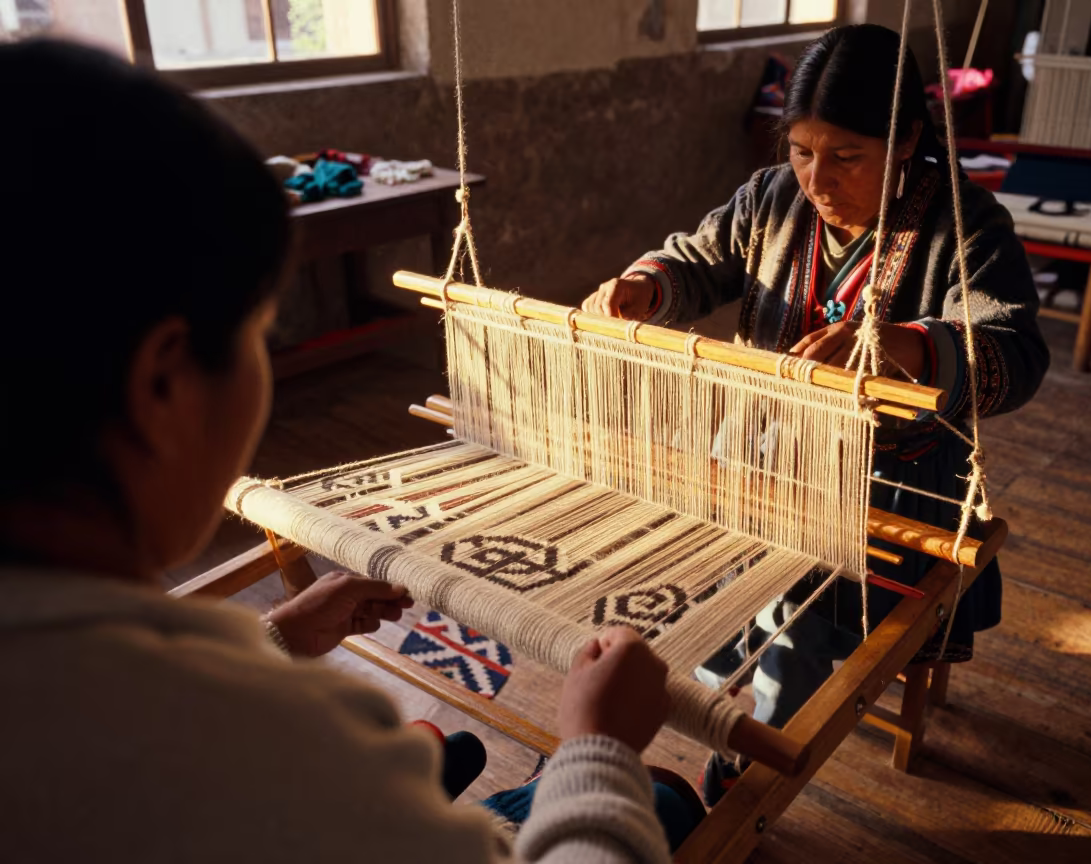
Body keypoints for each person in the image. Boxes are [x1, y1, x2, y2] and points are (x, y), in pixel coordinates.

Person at [0, 40, 677, 863]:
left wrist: (278, 635)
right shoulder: (281, 754)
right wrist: (599, 755)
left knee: (448, 756)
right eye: (258, 331)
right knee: (659, 804)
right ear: (163, 384)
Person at [582, 24, 1049, 803]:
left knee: (793, 629)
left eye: (846, 156)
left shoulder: (965, 225)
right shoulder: (770, 200)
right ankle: (712, 690)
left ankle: (738, 779)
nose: (817, 179)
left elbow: (1018, 354)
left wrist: (905, 344)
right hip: (758, 456)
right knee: (693, 579)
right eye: (800, 150)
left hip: (888, 491)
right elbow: (698, 260)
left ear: (904, 144)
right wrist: (644, 286)